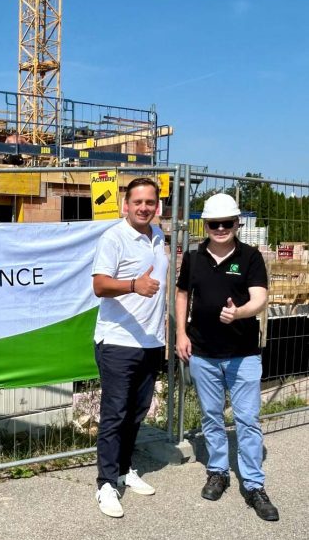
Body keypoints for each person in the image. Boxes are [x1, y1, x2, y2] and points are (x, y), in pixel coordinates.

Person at [175, 193, 278, 521]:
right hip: (204, 352)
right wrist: (180, 333)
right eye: (213, 223)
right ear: (205, 225)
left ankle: (253, 484)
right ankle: (218, 471)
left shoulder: (250, 257)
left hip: (243, 354)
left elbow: (260, 297)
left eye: (227, 223)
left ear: (237, 224)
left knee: (247, 419)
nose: (220, 228)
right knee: (211, 416)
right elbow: (182, 293)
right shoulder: (194, 258)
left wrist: (240, 313)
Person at [91, 177, 169, 518]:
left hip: (151, 341)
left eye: (149, 202)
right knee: (115, 414)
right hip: (118, 343)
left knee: (137, 413)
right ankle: (106, 484)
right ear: (126, 205)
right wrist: (133, 285)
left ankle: (124, 468)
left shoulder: (159, 236)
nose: (143, 207)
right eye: (137, 202)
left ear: (157, 206)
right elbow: (99, 285)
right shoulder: (114, 237)